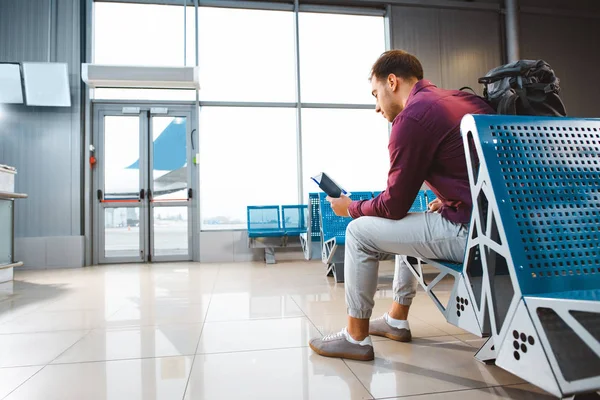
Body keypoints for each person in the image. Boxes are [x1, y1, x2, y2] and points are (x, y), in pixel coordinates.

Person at [308, 49, 494, 361]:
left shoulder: (413, 118)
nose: (376, 106)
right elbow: (473, 168)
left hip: (474, 234)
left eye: (375, 94)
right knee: (408, 221)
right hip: (502, 225)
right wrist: (450, 197)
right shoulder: (463, 100)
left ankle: (355, 339)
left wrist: (350, 208)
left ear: (392, 81)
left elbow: (393, 204)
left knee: (359, 232)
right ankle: (396, 319)